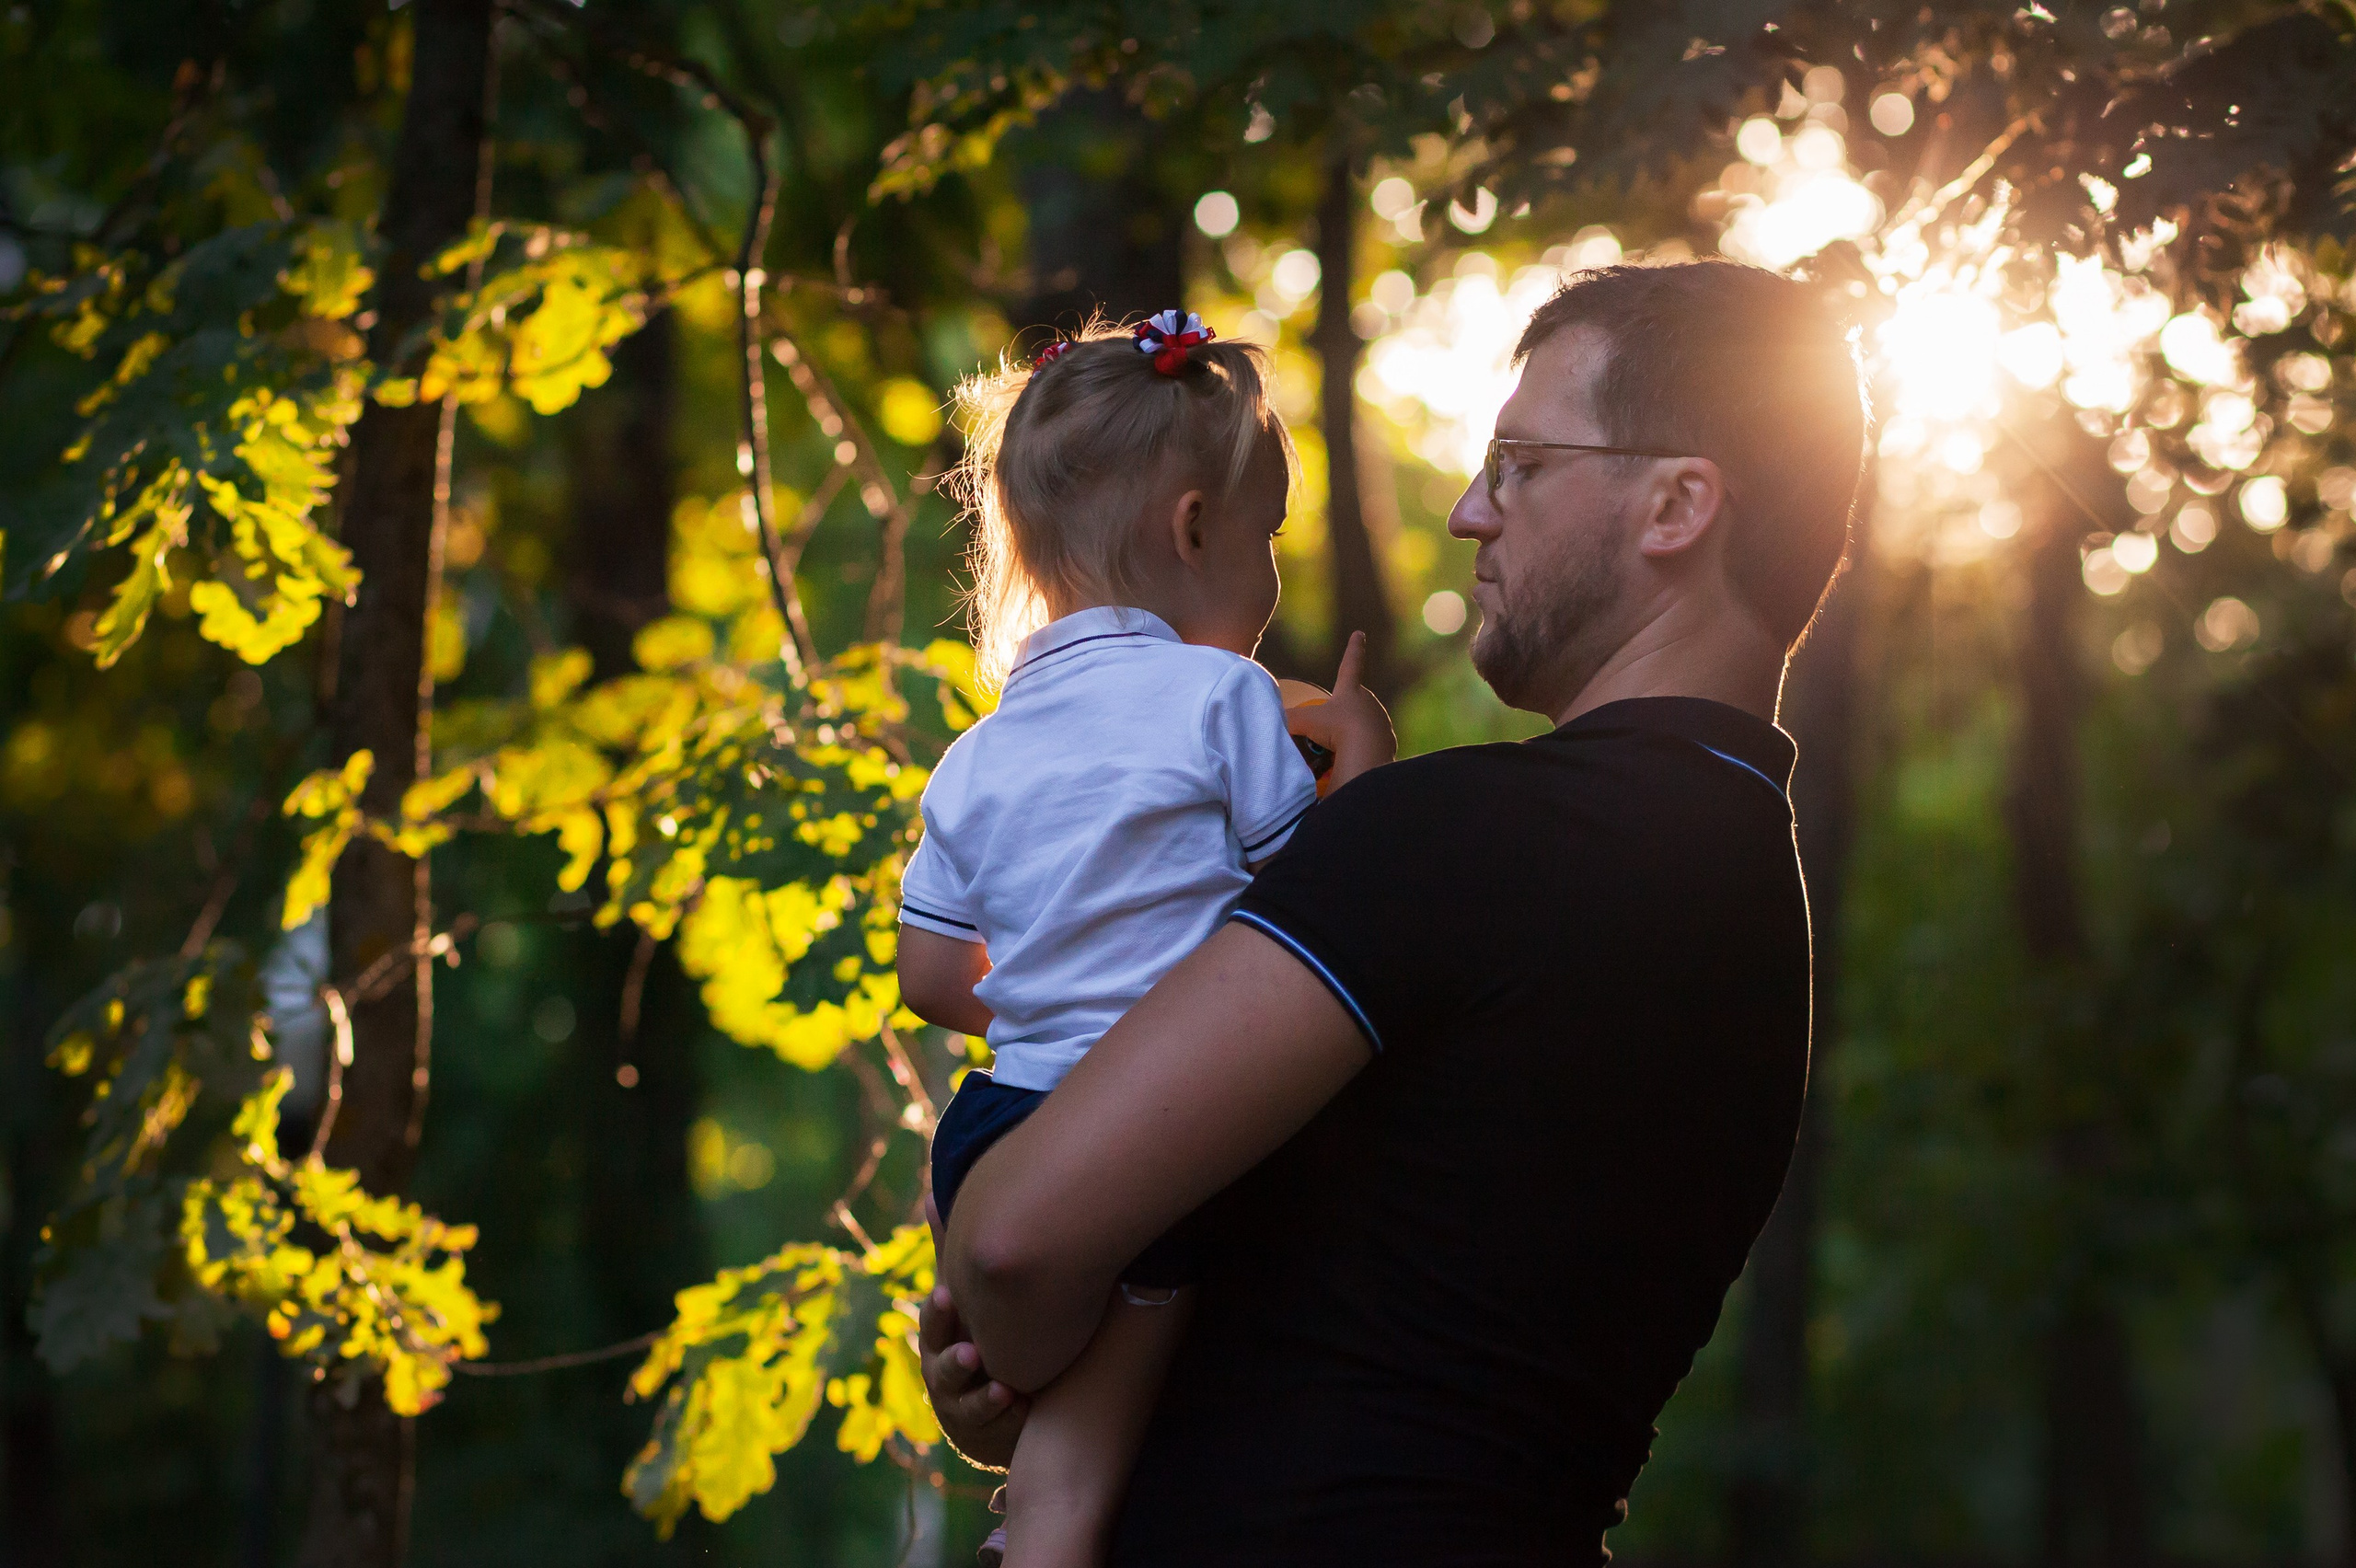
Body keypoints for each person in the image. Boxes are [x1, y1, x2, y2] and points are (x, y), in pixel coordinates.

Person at [919, 258, 1871, 1564]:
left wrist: (995, 1320)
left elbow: (1023, 1246)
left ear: (1678, 505)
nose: (1473, 512)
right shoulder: (1753, 898)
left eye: (1524, 463)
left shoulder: (1465, 839)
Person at [895, 309, 1395, 1568]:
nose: (1272, 568)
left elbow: (931, 979)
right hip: (1148, 1138)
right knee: (1071, 1491)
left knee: (1057, 1443)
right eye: (1267, 534)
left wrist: (1052, 996)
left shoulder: (973, 756)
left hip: (996, 1135)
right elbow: (1315, 905)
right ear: (1192, 530)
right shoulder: (1224, 697)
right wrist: (1364, 769)